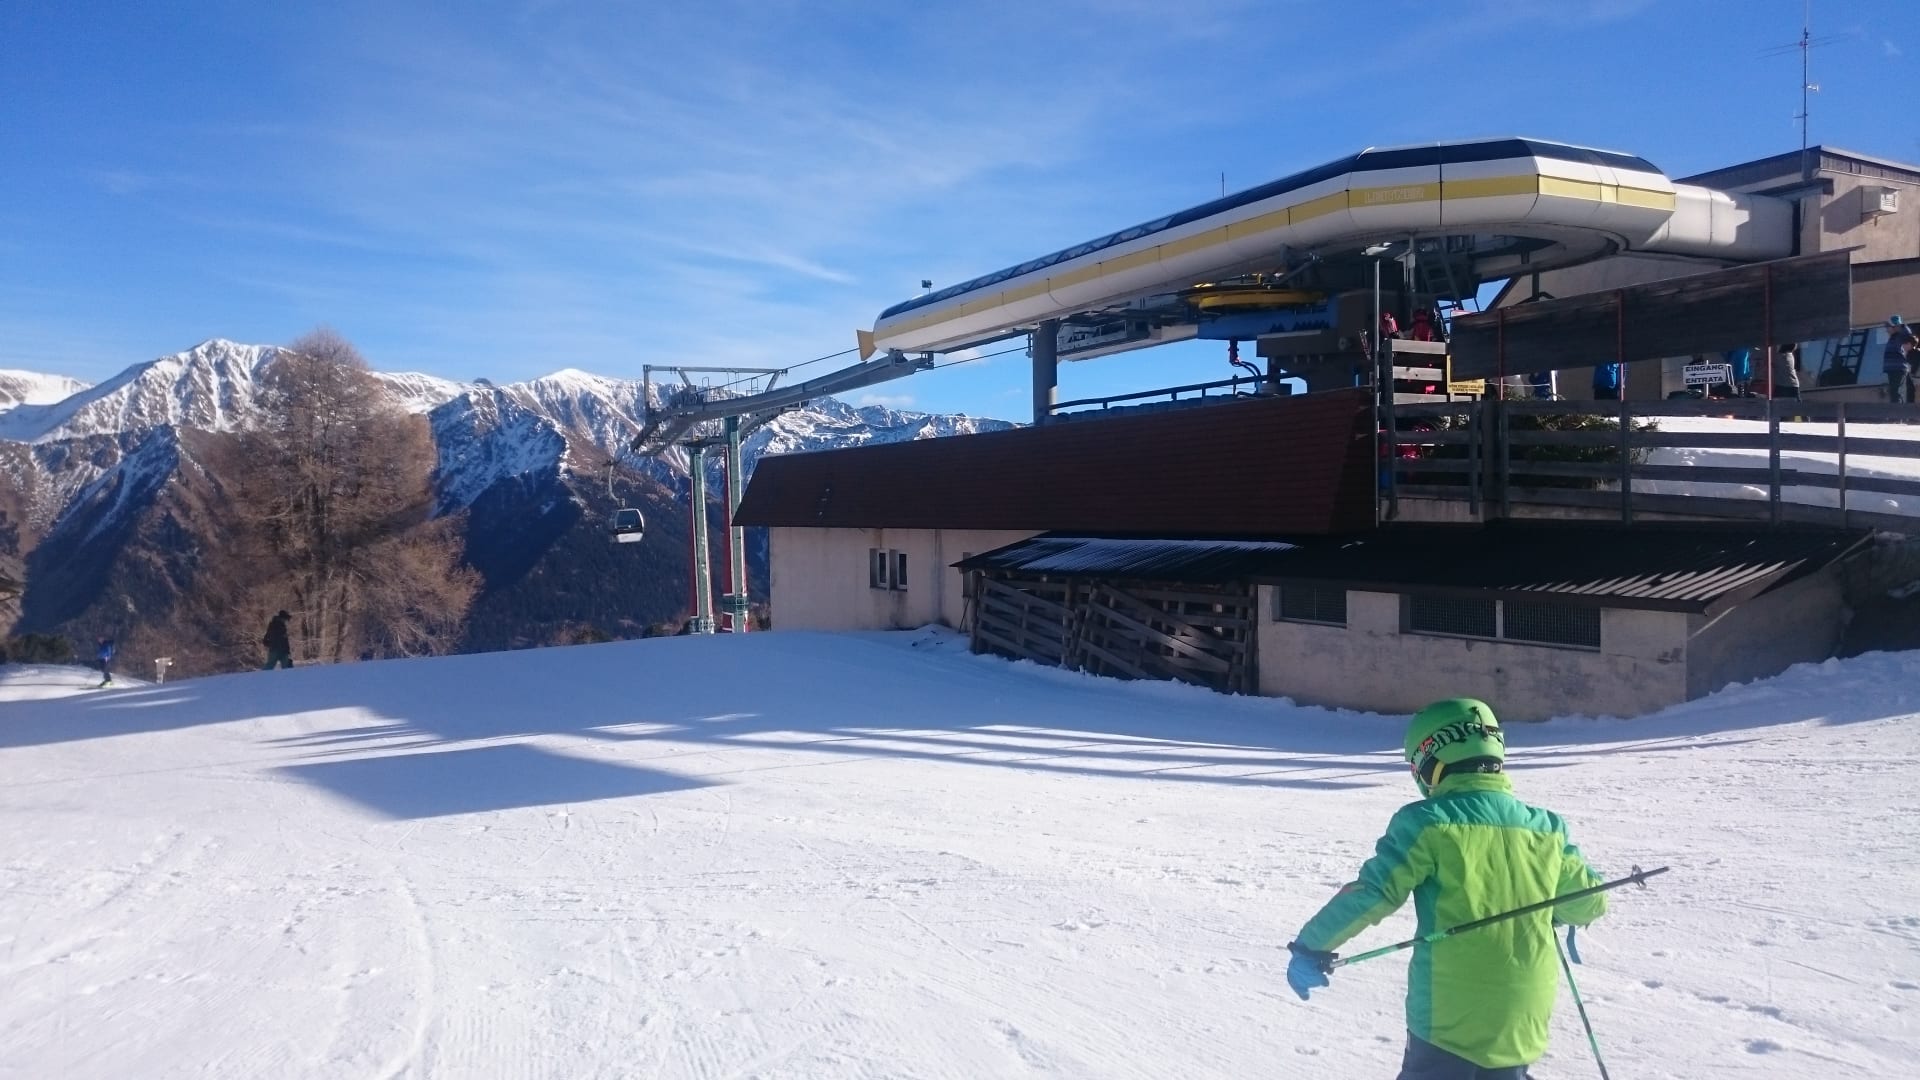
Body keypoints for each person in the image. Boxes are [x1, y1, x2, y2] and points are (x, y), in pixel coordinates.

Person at [1285, 699, 1609, 1079]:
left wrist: (1311, 946)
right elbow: (1589, 902)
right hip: (1523, 1011)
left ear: (1430, 761)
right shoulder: (1546, 828)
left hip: (1448, 1017)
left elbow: (1374, 892)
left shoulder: (1428, 822)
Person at [1886, 317, 1917, 404]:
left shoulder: (1901, 334)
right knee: (1894, 391)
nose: (1887, 329)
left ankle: (1899, 409)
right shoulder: (1894, 337)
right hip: (1892, 368)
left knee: (1898, 391)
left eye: (1888, 326)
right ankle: (1897, 408)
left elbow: (1910, 337)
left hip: (1898, 367)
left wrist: (1900, 326)